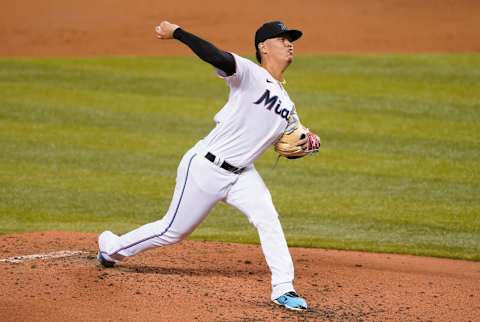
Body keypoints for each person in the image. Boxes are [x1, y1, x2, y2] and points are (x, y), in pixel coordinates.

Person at [97, 20, 318, 311]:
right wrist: (178, 33)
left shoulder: (288, 105)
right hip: (206, 166)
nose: (290, 44)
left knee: (268, 217)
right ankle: (112, 249)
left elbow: (297, 136)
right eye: (282, 39)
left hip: (243, 175)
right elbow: (216, 56)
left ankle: (283, 289)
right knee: (172, 232)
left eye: (292, 40)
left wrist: (310, 142)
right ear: (263, 47)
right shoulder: (249, 74)